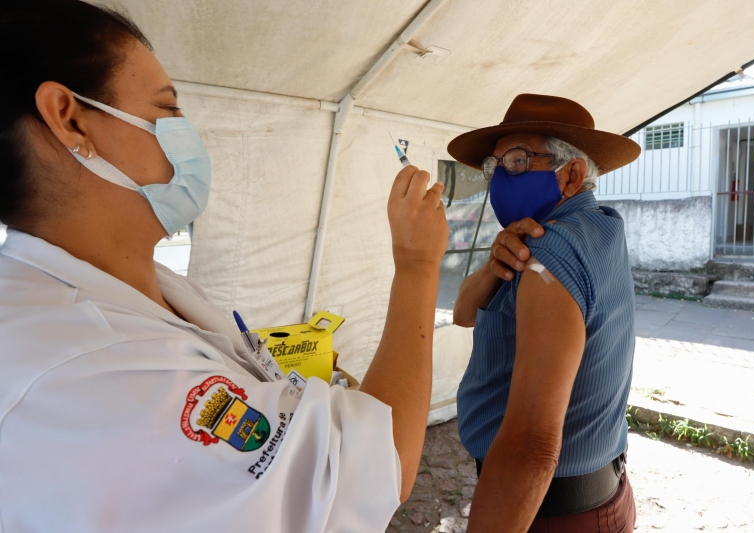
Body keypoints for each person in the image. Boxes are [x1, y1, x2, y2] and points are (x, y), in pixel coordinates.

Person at [0, 1, 449, 531]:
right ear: (70, 117)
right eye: (167, 110)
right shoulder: (86, 369)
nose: (188, 136)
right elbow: (366, 471)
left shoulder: (121, 287)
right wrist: (418, 267)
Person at [448, 94, 641, 532]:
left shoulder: (550, 250)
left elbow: (531, 448)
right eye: (494, 166)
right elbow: (463, 313)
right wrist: (491, 266)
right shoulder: (598, 227)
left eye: (517, 160)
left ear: (571, 174)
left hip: (551, 512)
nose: (500, 177)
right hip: (595, 498)